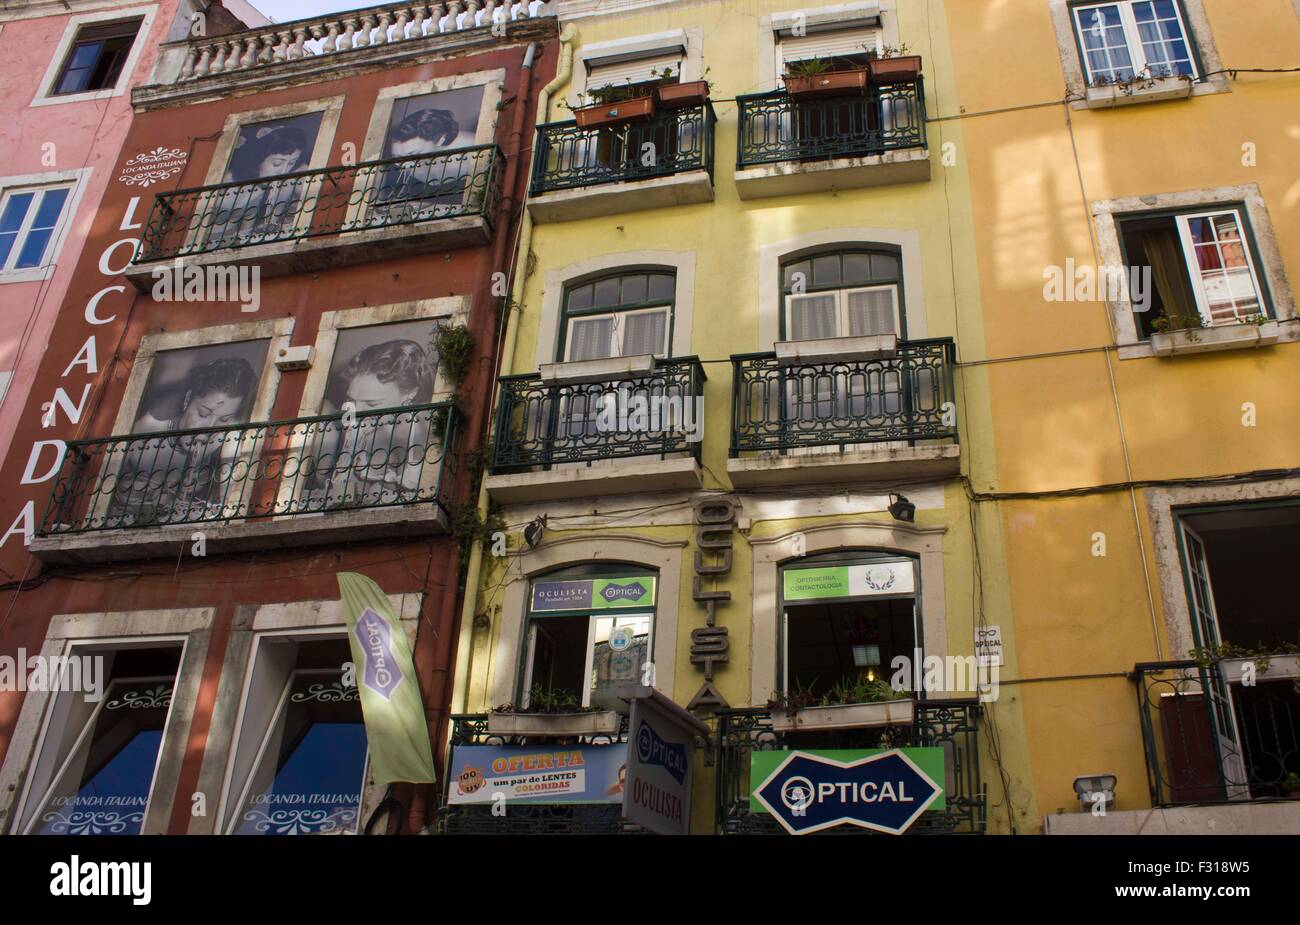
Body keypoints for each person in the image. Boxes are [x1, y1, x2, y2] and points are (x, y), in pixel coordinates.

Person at [106, 358, 259, 527]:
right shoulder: (146, 430)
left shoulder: (228, 437)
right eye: (203, 413)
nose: (210, 427)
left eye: (224, 419)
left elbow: (228, 505)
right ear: (188, 399)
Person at [306, 339, 437, 509]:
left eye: (372, 404)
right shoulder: (353, 419)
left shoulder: (412, 425)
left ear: (411, 393)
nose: (357, 412)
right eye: (351, 399)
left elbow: (410, 499)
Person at [206, 125, 311, 248]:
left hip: (229, 245)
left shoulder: (262, 191)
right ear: (259, 159)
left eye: (291, 163)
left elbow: (245, 232)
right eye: (277, 163)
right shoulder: (227, 181)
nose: (283, 171)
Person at [376, 107, 476, 221]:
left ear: (441, 139)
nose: (404, 165)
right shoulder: (400, 165)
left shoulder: (472, 150)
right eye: (397, 157)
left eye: (413, 155)